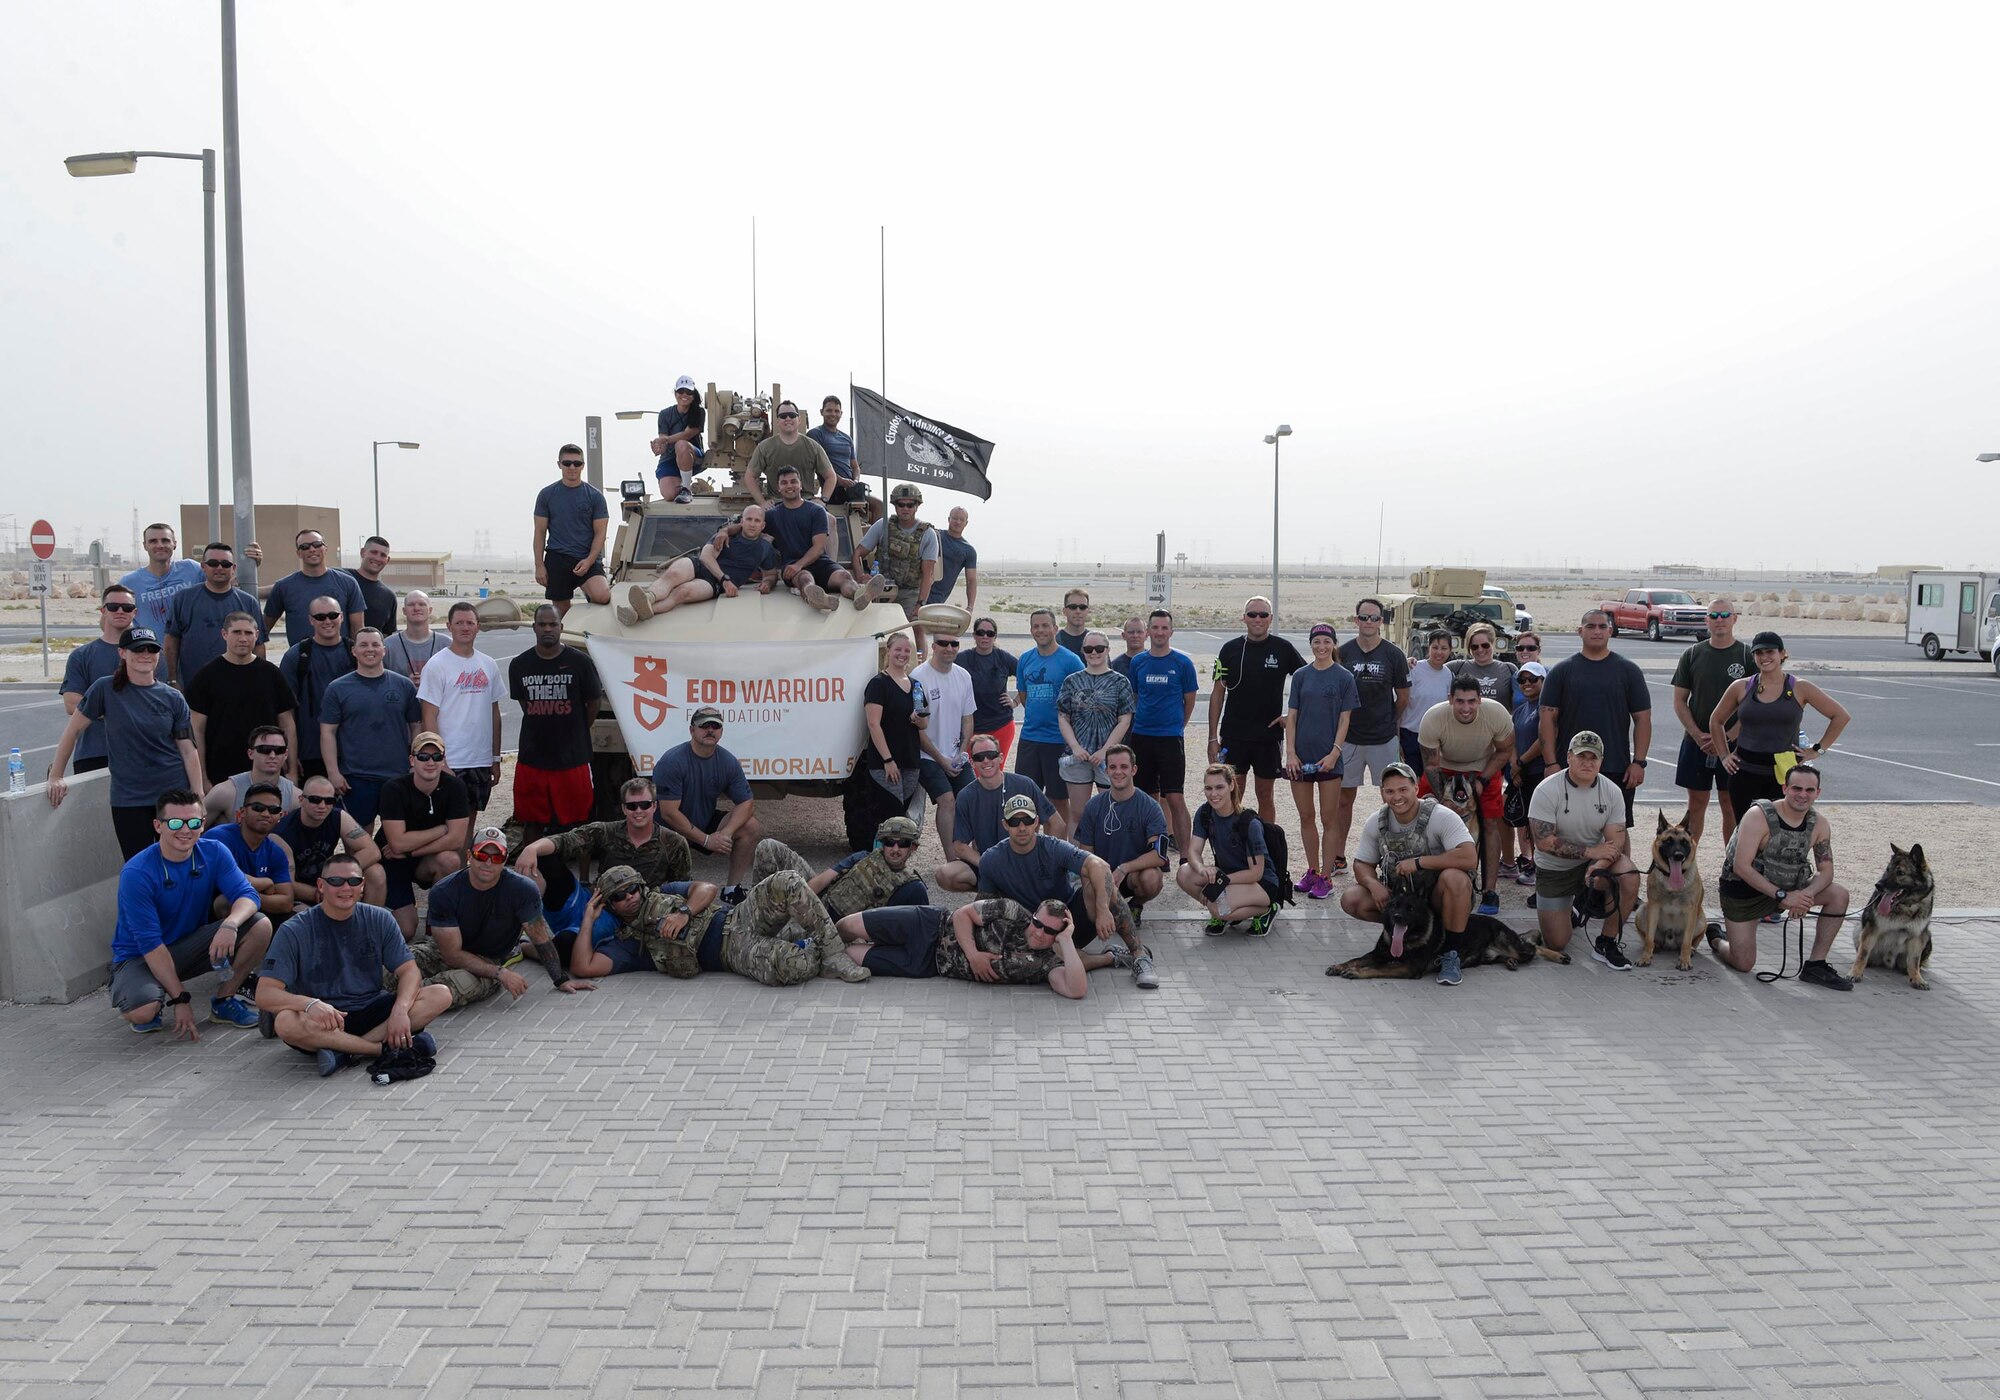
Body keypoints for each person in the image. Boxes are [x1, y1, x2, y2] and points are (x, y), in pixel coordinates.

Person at [256, 852, 452, 1077]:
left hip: (371, 1008)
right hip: (323, 1018)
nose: (345, 888)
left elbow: (408, 970)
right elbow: (264, 994)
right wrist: (310, 1004)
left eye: (353, 881)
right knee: (285, 1023)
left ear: (362, 885)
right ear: (321, 885)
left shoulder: (380, 918)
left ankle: (344, 1052)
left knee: (441, 994)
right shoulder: (294, 930)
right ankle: (378, 1049)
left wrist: (401, 1009)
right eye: (335, 881)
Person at [107, 789, 272, 1036]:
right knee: (143, 1012)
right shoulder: (137, 872)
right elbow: (150, 944)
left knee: (260, 925)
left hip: (186, 948)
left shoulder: (214, 851)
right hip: (140, 956)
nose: (185, 830)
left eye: (193, 822)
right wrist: (180, 999)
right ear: (158, 825)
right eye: (175, 822)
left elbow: (248, 896)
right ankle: (147, 992)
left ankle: (224, 1002)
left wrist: (230, 925)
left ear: (202, 825)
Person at [569, 859, 869, 986]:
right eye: (620, 896)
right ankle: (820, 941)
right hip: (731, 953)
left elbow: (708, 889)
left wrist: (683, 912)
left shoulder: (665, 895)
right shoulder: (630, 943)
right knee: (792, 967)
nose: (630, 898)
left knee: (787, 881)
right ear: (610, 905)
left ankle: (833, 955)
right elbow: (583, 967)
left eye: (633, 889)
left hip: (736, 916)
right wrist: (587, 920)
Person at [45, 628, 205, 859]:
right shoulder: (104, 689)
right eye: (138, 649)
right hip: (129, 798)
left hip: (173, 796)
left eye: (152, 649)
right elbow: (73, 731)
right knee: (138, 864)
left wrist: (197, 795)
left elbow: (188, 750)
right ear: (122, 653)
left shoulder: (173, 697)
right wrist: (56, 775)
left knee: (177, 861)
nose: (145, 654)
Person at [978, 793, 1155, 988]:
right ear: (1005, 824)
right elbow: (982, 909)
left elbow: (1099, 866)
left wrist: (1103, 909)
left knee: (1103, 887)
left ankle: (1140, 955)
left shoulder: (1052, 847)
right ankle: (1111, 958)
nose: (1022, 827)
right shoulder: (991, 860)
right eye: (1015, 821)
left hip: (1069, 920)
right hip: (1033, 931)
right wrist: (975, 951)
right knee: (1051, 960)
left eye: (1027, 820)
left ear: (1036, 822)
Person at [1337, 762, 1483, 987]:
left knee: (1454, 878)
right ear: (1382, 793)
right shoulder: (1377, 821)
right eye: (1390, 791)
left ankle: (1451, 953)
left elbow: (1469, 857)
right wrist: (1372, 883)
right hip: (1403, 904)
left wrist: (1419, 862)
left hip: (1440, 899)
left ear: (1416, 789)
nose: (1397, 797)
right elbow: (1361, 863)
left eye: (1403, 789)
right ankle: (1407, 935)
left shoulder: (1441, 816)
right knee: (1352, 898)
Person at [1709, 764, 1854, 989]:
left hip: (1788, 890)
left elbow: (1826, 871)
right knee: (1744, 963)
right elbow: (1741, 867)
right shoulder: (1759, 816)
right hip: (1744, 893)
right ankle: (1718, 939)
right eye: (1797, 788)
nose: (1802, 795)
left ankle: (1816, 965)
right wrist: (1783, 896)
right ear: (1785, 788)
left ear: (1818, 793)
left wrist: (1805, 895)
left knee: (1838, 895)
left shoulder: (1819, 824)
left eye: (1809, 790)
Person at [417, 827, 593, 1009]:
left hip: (489, 964)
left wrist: (560, 980)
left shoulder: (522, 890)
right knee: (400, 965)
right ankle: (396, 1001)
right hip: (445, 952)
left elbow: (541, 940)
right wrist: (502, 973)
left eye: (497, 857)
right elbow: (451, 955)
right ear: (469, 855)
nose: (488, 863)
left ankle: (400, 1004)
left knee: (450, 987)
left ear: (505, 860)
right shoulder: (444, 891)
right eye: (481, 855)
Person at [1528, 731, 1639, 968]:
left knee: (1628, 874)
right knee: (1556, 943)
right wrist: (1590, 852)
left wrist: (1597, 866)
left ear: (1601, 761)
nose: (1587, 763)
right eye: (1581, 756)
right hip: (1554, 870)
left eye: (1593, 757)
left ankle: (1606, 942)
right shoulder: (1546, 790)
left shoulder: (1612, 792)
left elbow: (1616, 842)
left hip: (1591, 866)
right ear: (1568, 757)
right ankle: (1573, 907)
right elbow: (1545, 842)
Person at [1709, 631, 1850, 817]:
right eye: (1759, 653)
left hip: (1784, 774)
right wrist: (1724, 756)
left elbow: (1840, 716)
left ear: (1782, 653)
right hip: (1745, 772)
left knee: (1781, 831)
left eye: (1770, 652)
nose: (1765, 657)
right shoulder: (1741, 687)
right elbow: (1716, 720)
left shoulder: (1800, 687)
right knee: (1746, 832)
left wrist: (1817, 750)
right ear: (1754, 657)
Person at [833, 897, 1089, 998]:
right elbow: (963, 915)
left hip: (929, 964)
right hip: (929, 924)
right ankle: (814, 937)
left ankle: (810, 954)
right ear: (1033, 915)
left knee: (850, 955)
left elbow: (1075, 990)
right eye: (1037, 923)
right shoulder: (1011, 910)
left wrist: (1066, 941)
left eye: (1050, 931)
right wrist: (973, 956)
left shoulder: (1046, 963)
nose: (1039, 932)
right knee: (848, 926)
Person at [1538, 609, 1652, 830]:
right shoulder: (1561, 672)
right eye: (1590, 626)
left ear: (1610, 631)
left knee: (1616, 831)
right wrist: (1551, 763)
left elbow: (1643, 719)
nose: (1597, 631)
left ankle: (1618, 867)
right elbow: (1547, 720)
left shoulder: (1628, 671)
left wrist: (1638, 762)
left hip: (1615, 767)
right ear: (1580, 631)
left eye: (1602, 626)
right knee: (1567, 828)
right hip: (1569, 766)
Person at [1417, 676, 1515, 916]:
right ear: (1450, 699)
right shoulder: (1433, 717)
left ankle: (1489, 890)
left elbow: (1504, 751)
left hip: (1484, 767)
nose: (1466, 708)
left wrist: (1482, 780)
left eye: (1472, 701)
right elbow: (1430, 765)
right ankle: (1422, 880)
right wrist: (1444, 799)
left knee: (1491, 823)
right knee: (1421, 816)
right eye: (1459, 701)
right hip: (1446, 768)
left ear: (1480, 700)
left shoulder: (1497, 714)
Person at [507, 604, 603, 844]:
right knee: (532, 821)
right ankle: (530, 873)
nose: (547, 629)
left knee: (580, 822)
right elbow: (525, 704)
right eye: (542, 624)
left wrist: (576, 728)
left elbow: (593, 702)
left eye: (553, 624)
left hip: (573, 757)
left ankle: (583, 878)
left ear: (562, 627)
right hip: (533, 757)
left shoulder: (580, 662)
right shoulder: (519, 665)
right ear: (534, 628)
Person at [512, 775, 691, 903]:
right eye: (631, 806)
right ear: (623, 808)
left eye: (644, 805)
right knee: (545, 856)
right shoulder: (606, 831)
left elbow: (682, 888)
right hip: (602, 903)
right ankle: (537, 918)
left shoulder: (674, 842)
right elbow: (565, 840)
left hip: (642, 909)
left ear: (654, 806)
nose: (638, 811)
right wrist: (531, 849)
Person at [1331, 598, 1412, 877]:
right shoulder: (1341, 653)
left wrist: (1389, 719)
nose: (1369, 623)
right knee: (1344, 799)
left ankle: (1393, 856)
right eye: (1364, 618)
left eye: (1374, 618)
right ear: (1355, 620)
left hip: (1383, 738)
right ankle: (1338, 856)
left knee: (1393, 798)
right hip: (1350, 738)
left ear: (1382, 621)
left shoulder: (1393, 654)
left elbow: (1403, 697)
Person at [1207, 596, 1306, 816]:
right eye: (1252, 614)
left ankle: (1266, 845)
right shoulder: (1229, 650)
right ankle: (1232, 844)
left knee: (1265, 796)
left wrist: (1289, 717)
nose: (1257, 619)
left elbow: (1307, 682)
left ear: (1271, 618)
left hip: (1268, 737)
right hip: (1234, 735)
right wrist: (1212, 737)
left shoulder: (1283, 649)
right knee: (1233, 794)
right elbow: (1217, 694)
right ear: (1244, 618)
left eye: (1263, 615)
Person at [1669, 597, 1752, 851]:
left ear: (1735, 618)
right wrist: (1697, 735)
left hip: (1734, 745)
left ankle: (1733, 863)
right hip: (1697, 744)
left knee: (1731, 804)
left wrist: (1726, 738)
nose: (1719, 621)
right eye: (1714, 616)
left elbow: (1754, 703)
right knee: (1696, 804)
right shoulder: (1692, 654)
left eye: (1724, 615)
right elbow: (1680, 701)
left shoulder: (1748, 655)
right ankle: (1687, 862)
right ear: (1706, 620)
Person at [319, 627, 422, 828]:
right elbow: (327, 732)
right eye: (363, 645)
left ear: (384, 650)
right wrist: (333, 772)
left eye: (375, 644)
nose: (370, 649)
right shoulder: (337, 688)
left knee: (397, 840)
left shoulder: (403, 685)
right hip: (356, 779)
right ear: (354, 650)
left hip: (397, 776)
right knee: (358, 842)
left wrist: (414, 765)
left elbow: (416, 727)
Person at [1285, 623, 1359, 899]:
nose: (1321, 647)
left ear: (1334, 644)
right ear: (1311, 644)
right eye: (1316, 642)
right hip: (1300, 759)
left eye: (1326, 642)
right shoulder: (1301, 676)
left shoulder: (1344, 677)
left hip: (1329, 761)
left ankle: (1327, 877)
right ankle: (1313, 870)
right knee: (1306, 817)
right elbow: (1291, 716)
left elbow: (1345, 719)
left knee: (1330, 819)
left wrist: (1334, 753)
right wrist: (1291, 753)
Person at [418, 601, 504, 830]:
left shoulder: (488, 665)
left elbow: (494, 714)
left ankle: (462, 865)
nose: (465, 628)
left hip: (480, 760)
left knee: (469, 822)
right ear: (449, 626)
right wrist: (439, 759)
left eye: (470, 623)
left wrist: (495, 759)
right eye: (459, 623)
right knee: (445, 824)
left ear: (478, 627)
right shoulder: (436, 666)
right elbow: (429, 716)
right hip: (452, 761)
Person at [186, 611, 298, 787]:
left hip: (268, 772)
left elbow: (287, 724)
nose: (243, 638)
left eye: (248, 633)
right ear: (224, 634)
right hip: (220, 774)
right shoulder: (206, 676)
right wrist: (202, 778)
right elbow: (197, 729)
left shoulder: (272, 674)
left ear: (257, 635)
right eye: (236, 632)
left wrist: (292, 771)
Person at [377, 732, 470, 939]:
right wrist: (440, 830)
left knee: (451, 860)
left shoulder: (455, 787)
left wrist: (411, 852)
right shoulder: (393, 788)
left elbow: (456, 840)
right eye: (423, 756)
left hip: (420, 858)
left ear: (443, 760)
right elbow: (397, 843)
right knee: (406, 931)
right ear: (412, 760)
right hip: (392, 860)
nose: (430, 762)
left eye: (437, 757)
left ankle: (434, 927)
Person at [934, 735, 1058, 892]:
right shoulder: (966, 795)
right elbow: (959, 846)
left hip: (1025, 861)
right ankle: (994, 889)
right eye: (979, 757)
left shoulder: (1024, 784)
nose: (985, 761)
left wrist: (1046, 860)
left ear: (1001, 758)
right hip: (989, 863)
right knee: (944, 874)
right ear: (972, 763)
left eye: (991, 755)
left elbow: (1056, 823)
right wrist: (991, 865)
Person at [619, 503, 779, 623]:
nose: (752, 524)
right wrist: (725, 579)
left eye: (757, 520)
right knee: (673, 574)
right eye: (749, 519)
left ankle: (637, 612)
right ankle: (648, 596)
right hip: (704, 568)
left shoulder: (765, 549)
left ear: (763, 525)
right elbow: (705, 557)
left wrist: (767, 582)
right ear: (741, 521)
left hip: (712, 583)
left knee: (682, 592)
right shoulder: (724, 536)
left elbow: (771, 573)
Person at [654, 706, 761, 885]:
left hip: (703, 823)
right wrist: (706, 840)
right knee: (667, 890)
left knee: (750, 826)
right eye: (704, 725)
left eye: (715, 726)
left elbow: (746, 803)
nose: (710, 730)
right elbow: (668, 813)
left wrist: (725, 834)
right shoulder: (672, 761)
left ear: (721, 731)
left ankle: (732, 890)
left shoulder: (728, 761)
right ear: (691, 730)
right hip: (668, 831)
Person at [1125, 609, 1200, 860]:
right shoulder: (1138, 662)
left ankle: (1187, 856)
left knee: (1175, 797)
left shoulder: (1182, 663)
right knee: (1146, 798)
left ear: (1171, 631)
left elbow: (1189, 700)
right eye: (1154, 628)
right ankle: (1153, 852)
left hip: (1170, 739)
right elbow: (1135, 697)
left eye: (1164, 628)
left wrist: (1178, 725)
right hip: (1142, 737)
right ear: (1148, 632)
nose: (1159, 632)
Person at [749, 816, 929, 919]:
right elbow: (819, 882)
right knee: (768, 846)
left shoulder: (910, 887)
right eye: (890, 842)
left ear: (913, 847)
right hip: (817, 900)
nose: (895, 849)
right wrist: (795, 904)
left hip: (829, 929)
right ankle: (753, 909)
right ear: (882, 843)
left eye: (903, 844)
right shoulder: (863, 858)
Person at [1176, 763, 1279, 935]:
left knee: (1217, 906)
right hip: (1228, 876)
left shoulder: (1248, 823)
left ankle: (1267, 910)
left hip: (1261, 882)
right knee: (1184, 873)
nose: (1213, 794)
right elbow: (1193, 852)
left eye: (1219, 787)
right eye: (1208, 788)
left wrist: (1219, 884)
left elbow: (1256, 873)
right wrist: (1202, 869)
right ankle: (1229, 911)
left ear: (1231, 786)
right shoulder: (1205, 813)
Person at [1072, 745, 1168, 923]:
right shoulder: (1093, 806)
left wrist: (1124, 868)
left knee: (1152, 878)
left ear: (1134, 770)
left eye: (1124, 767)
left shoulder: (1150, 807)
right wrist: (1093, 893)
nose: (1118, 772)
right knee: (1089, 916)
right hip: (1102, 878)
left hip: (1132, 876)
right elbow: (1085, 856)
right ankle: (1110, 907)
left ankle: (1135, 906)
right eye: (1113, 767)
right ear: (1106, 770)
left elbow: (1159, 856)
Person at [1014, 608, 1086, 831]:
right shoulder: (1025, 659)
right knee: (1026, 799)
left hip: (1059, 741)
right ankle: (1030, 850)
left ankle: (1058, 850)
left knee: (1057, 799)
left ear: (1055, 628)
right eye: (1036, 626)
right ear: (1031, 630)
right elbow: (1024, 695)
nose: (1041, 630)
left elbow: (1082, 698)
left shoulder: (1070, 661)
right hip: (1030, 738)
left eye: (1045, 625)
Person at [764, 465, 867, 611]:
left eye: (793, 481)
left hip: (819, 562)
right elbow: (747, 525)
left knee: (844, 576)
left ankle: (858, 595)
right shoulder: (772, 515)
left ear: (800, 485)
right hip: (793, 567)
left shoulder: (816, 511)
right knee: (805, 578)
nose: (789, 486)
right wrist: (725, 532)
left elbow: (819, 548)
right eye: (784, 483)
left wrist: (799, 564)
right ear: (778, 488)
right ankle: (818, 598)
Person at [275, 775, 387, 908]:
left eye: (329, 801)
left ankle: (371, 925)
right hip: (301, 893)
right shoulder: (282, 834)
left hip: (330, 880)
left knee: (375, 872)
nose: (322, 806)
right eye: (315, 800)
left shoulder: (337, 816)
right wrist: (323, 892)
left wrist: (339, 877)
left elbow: (373, 851)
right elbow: (287, 884)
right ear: (301, 800)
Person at [277, 596, 358, 779]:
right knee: (316, 807)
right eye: (320, 617)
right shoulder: (296, 657)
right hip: (310, 753)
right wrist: (291, 756)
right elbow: (285, 713)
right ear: (311, 620)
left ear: (342, 617)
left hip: (353, 753)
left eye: (332, 615)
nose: (327, 621)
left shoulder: (356, 653)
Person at [1056, 631, 1135, 816]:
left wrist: (1106, 750)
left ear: (1107, 650)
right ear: (1083, 651)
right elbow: (1063, 716)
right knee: (1078, 813)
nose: (1094, 652)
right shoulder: (1072, 681)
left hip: (1110, 758)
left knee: (1112, 812)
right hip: (1078, 756)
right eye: (1088, 649)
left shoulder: (1120, 681)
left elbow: (1125, 719)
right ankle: (1077, 846)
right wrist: (1075, 747)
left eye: (1099, 648)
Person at [164, 541, 265, 685]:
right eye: (213, 563)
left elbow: (259, 645)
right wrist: (172, 679)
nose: (219, 568)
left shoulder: (248, 602)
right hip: (194, 685)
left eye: (225, 564)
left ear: (233, 568)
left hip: (238, 684)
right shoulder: (183, 599)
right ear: (203, 566)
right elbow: (171, 640)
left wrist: (258, 680)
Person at [914, 625, 978, 850]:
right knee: (947, 801)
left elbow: (968, 719)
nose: (949, 648)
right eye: (943, 643)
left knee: (973, 800)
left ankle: (975, 855)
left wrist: (962, 752)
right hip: (927, 755)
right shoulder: (918, 677)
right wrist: (941, 759)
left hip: (956, 754)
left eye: (954, 644)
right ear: (932, 647)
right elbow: (917, 729)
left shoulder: (964, 676)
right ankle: (952, 860)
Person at [61, 585, 136, 775]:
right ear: (103, 611)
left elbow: (153, 700)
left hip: (138, 753)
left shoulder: (148, 654)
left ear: (134, 612)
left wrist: (98, 707)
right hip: (93, 753)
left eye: (126, 608)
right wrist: (122, 710)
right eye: (113, 607)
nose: (120, 611)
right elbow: (71, 704)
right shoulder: (81, 655)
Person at [851, 483, 938, 645]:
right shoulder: (882, 526)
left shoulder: (927, 534)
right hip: (881, 591)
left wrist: (920, 604)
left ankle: (918, 665)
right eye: (901, 504)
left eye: (910, 505)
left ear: (917, 506)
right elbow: (857, 554)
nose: (905, 508)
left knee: (914, 629)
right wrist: (860, 576)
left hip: (909, 593)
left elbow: (928, 574)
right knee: (872, 632)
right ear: (895, 506)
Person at [533, 444, 613, 615]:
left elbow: (601, 533)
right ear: (559, 464)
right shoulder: (547, 495)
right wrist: (539, 565)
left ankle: (589, 625)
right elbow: (539, 532)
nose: (571, 467)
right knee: (561, 613)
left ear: (583, 465)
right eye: (567, 463)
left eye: (577, 463)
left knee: (603, 596)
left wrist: (590, 560)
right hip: (558, 557)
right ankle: (567, 638)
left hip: (587, 557)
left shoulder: (595, 496)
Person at [208, 780, 296, 921]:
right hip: (207, 920)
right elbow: (222, 880)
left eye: (273, 810)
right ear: (242, 812)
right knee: (225, 902)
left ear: (280, 816)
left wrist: (246, 895)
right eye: (258, 807)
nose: (266, 814)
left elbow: (286, 902)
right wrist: (265, 882)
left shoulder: (276, 853)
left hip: (256, 915)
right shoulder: (218, 838)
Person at [862, 633, 927, 817]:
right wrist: (888, 761)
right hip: (885, 763)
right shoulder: (878, 684)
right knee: (889, 818)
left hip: (910, 760)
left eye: (907, 650)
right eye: (898, 649)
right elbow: (873, 724)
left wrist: (920, 720)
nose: (902, 654)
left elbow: (924, 723)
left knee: (904, 820)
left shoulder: (916, 686)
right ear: (888, 651)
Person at [263, 528, 364, 644]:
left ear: (325, 548)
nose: (312, 549)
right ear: (299, 553)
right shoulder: (283, 587)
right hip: (301, 659)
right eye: (305, 546)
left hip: (342, 659)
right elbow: (263, 629)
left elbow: (357, 629)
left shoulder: (348, 583)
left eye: (317, 544)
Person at [119, 521, 204, 640]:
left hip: (191, 651)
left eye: (165, 540)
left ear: (174, 544)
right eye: (153, 541)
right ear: (145, 545)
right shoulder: (128, 583)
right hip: (151, 653)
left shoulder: (193, 570)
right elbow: (111, 621)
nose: (160, 545)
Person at [202, 724, 301, 826]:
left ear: (285, 754)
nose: (272, 755)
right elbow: (194, 826)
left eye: (279, 750)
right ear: (250, 753)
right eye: (264, 749)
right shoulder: (226, 792)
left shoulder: (295, 798)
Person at [1507, 662, 1550, 886]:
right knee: (1528, 823)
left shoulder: (1545, 708)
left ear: (1543, 681)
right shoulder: (1522, 709)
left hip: (1538, 773)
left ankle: (1544, 870)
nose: (1527, 684)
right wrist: (1514, 763)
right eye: (1522, 680)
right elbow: (1514, 739)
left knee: (1541, 825)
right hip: (1522, 773)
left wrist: (1521, 762)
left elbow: (1544, 740)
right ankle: (1535, 864)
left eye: (1533, 679)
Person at [747, 401, 837, 506]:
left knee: (830, 520)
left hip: (806, 503)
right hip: (777, 504)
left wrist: (823, 500)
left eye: (792, 415)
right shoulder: (764, 447)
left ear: (799, 420)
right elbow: (750, 476)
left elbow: (831, 476)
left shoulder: (813, 447)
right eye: (783, 416)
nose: (788, 419)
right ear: (777, 421)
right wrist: (762, 503)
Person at [958, 616, 1018, 762]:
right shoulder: (962, 659)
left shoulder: (1003, 658)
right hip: (971, 727)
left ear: (995, 636)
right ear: (974, 635)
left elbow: (1027, 676)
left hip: (1001, 724)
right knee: (972, 772)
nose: (985, 636)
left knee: (996, 769)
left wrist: (1016, 702)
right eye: (980, 633)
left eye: (990, 633)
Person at [808, 393, 877, 518]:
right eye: (829, 410)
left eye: (836, 411)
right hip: (831, 489)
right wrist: (841, 481)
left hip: (850, 490)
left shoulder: (847, 438)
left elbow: (855, 466)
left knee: (878, 505)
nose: (833, 414)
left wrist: (855, 481)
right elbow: (818, 465)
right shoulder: (816, 434)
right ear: (821, 412)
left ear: (841, 413)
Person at [1399, 630, 1458, 770]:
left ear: (1450, 650)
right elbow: (1400, 703)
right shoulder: (1413, 668)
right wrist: (1397, 739)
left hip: (1435, 738)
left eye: (1444, 648)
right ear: (1428, 647)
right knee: (1411, 780)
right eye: (1435, 647)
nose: (1439, 652)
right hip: (1410, 736)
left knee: (1431, 781)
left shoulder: (1449, 675)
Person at [651, 375, 706, 503]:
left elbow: (688, 434)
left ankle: (686, 489)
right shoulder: (665, 414)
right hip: (670, 459)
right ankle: (682, 486)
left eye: (689, 392)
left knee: (681, 445)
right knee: (669, 495)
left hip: (693, 455)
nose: (684, 395)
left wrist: (664, 440)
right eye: (681, 392)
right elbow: (663, 441)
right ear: (675, 393)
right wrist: (659, 447)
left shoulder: (699, 412)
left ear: (694, 394)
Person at [382, 589, 448, 687]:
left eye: (422, 604)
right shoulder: (387, 646)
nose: (416, 608)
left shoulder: (447, 645)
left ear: (430, 610)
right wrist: (405, 684)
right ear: (404, 611)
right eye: (411, 605)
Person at [1448, 624, 1517, 704]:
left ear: (1493, 643)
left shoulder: (1509, 669)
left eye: (1485, 645)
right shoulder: (1457, 667)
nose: (1480, 650)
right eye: (1474, 647)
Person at [927, 507, 977, 607]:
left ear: (966, 523)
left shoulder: (968, 550)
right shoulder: (934, 536)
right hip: (916, 592)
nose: (958, 522)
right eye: (955, 518)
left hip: (937, 599)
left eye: (961, 520)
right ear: (949, 519)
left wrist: (970, 607)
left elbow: (971, 580)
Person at [1056, 590, 1092, 655]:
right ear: (1064, 611)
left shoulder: (1095, 642)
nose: (1078, 611)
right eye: (1073, 607)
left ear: (1088, 611)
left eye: (1082, 607)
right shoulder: (1054, 642)